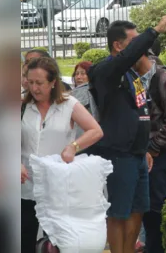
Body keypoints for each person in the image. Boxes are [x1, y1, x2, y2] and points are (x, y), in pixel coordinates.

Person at [86, 12, 166, 253]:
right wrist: (155, 30)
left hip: (139, 154)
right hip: (119, 153)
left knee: (138, 208)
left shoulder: (132, 75)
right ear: (118, 45)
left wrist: (146, 147)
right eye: (134, 41)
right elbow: (126, 57)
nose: (141, 46)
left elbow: (142, 110)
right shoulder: (105, 71)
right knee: (119, 211)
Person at [21, 57, 103, 253]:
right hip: (25, 186)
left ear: (53, 82)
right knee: (23, 241)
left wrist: (74, 146)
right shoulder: (22, 105)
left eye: (39, 83)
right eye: (30, 82)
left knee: (58, 244)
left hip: (57, 187)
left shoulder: (69, 104)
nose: (34, 88)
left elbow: (96, 131)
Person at [137, 49, 166, 253]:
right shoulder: (135, 79)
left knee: (157, 205)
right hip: (141, 151)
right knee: (146, 205)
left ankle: (156, 248)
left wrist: (155, 146)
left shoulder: (163, 77)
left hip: (159, 152)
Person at [70, 61, 94, 138]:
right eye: (76, 74)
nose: (78, 77)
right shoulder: (74, 92)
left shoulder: (88, 91)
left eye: (83, 74)